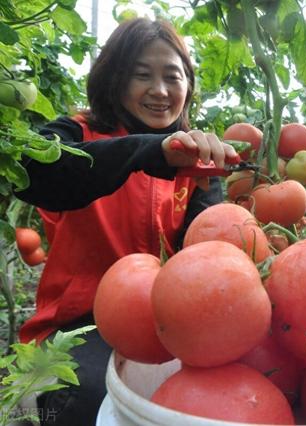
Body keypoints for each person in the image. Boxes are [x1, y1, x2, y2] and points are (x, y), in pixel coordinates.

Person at [15, 18, 236, 426]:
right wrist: (151, 152)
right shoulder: (76, 132)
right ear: (115, 79)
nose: (160, 90)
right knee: (89, 401)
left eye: (173, 76)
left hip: (169, 324)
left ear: (187, 86)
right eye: (141, 75)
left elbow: (205, 250)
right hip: (77, 329)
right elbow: (32, 174)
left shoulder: (196, 159)